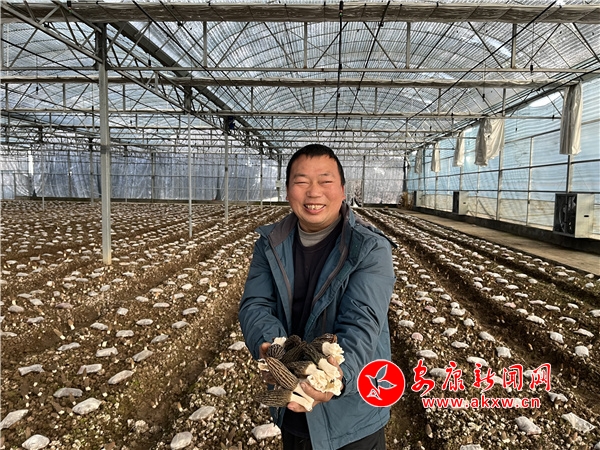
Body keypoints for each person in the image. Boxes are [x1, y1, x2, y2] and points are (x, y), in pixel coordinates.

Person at [239, 144, 396, 450]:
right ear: (287, 191)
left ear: (343, 190)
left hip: (351, 417)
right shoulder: (270, 244)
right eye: (301, 182)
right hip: (291, 405)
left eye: (325, 181)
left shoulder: (370, 248)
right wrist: (274, 350)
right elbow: (256, 305)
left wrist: (337, 375)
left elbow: (362, 321)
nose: (314, 192)